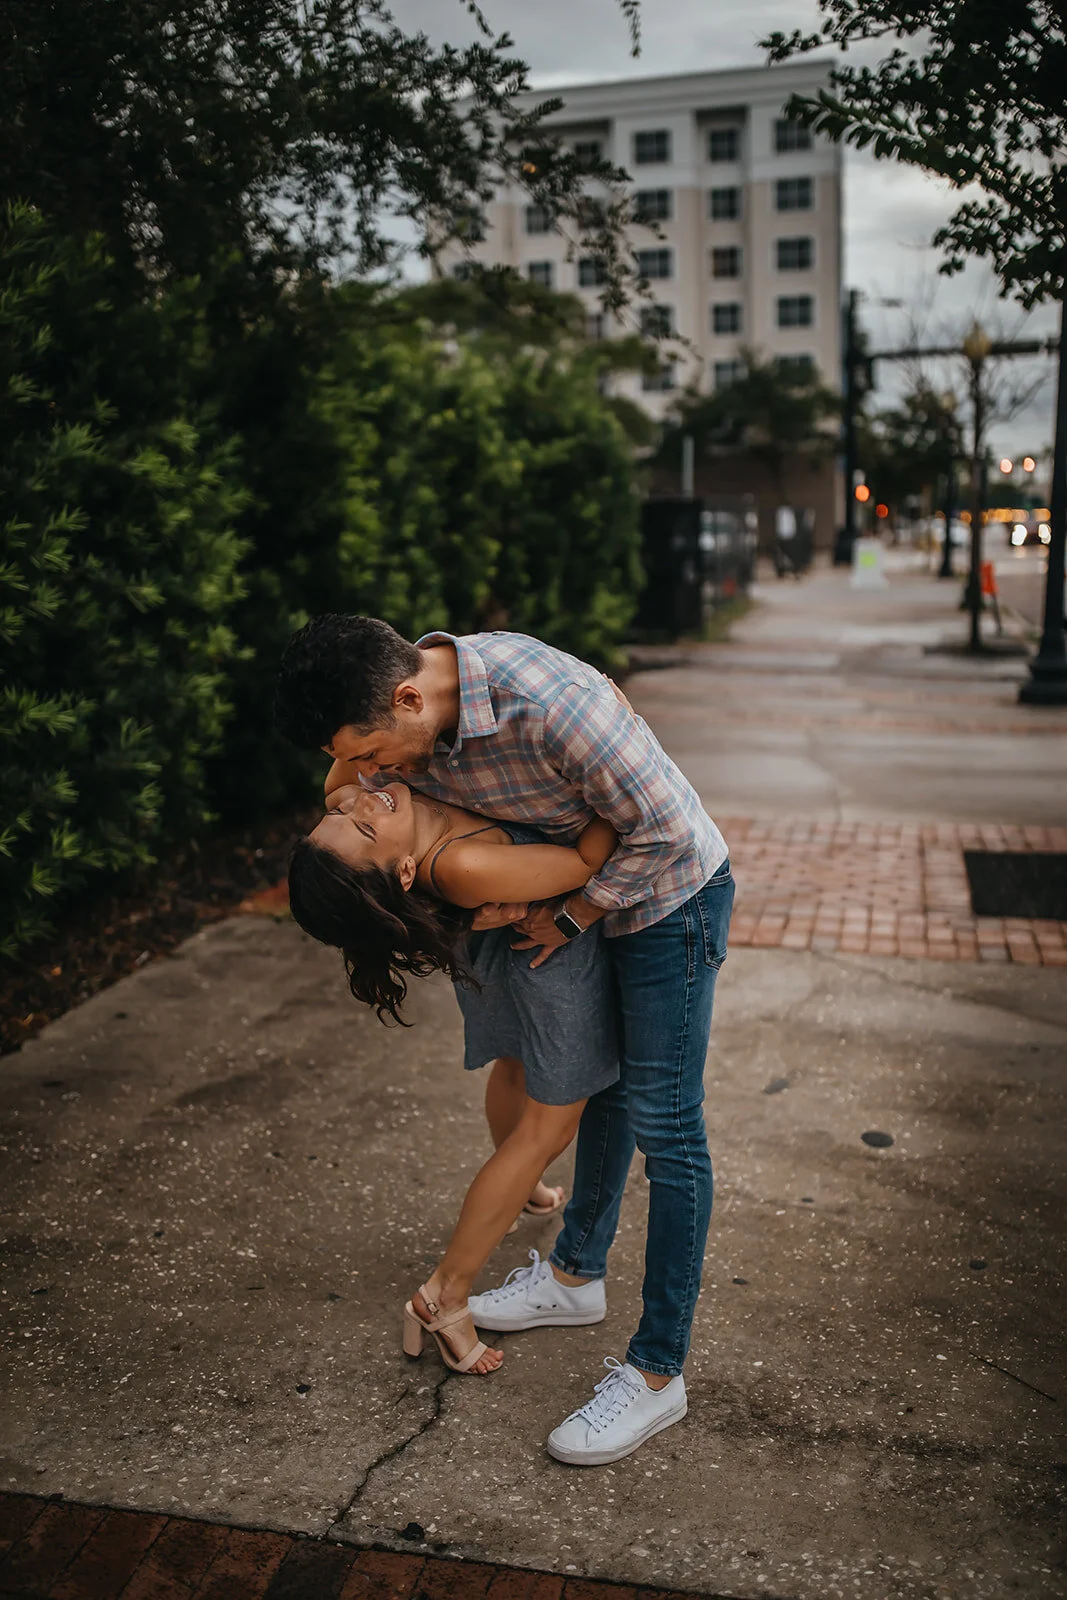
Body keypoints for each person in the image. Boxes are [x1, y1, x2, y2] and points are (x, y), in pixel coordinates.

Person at [275, 614, 734, 1466]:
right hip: (578, 909)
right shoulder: (403, 729)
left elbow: (662, 831)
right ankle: (572, 1278)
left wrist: (564, 913)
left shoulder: (548, 707)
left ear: (408, 697)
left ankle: (657, 1374)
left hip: (665, 902)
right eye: (359, 767)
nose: (369, 779)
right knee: (602, 1098)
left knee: (668, 1132)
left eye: (373, 755)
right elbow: (358, 801)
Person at [288, 775, 620, 1375]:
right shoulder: (462, 865)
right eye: (361, 823)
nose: (361, 800)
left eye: (342, 811)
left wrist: (348, 804)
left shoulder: (387, 816)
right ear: (405, 874)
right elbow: (583, 861)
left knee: (513, 1066)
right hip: (545, 959)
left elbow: (338, 777)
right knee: (548, 1128)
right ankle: (445, 1293)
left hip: (493, 947)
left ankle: (528, 1192)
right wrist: (615, 773)